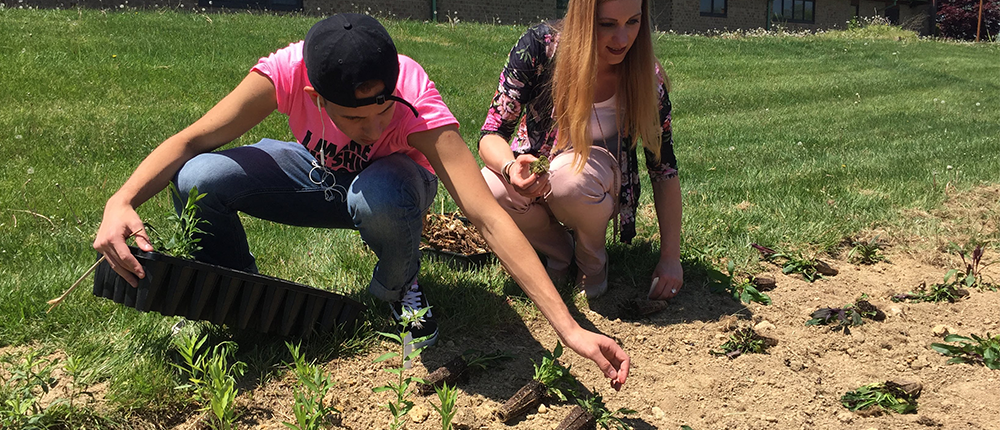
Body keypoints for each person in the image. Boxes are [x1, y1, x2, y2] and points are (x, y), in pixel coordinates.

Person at [92, 13, 629, 389]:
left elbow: (484, 213)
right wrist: (121, 200)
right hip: (316, 175)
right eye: (354, 118)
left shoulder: (414, 96)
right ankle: (238, 302)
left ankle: (398, 288)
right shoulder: (285, 72)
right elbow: (192, 139)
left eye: (383, 110)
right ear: (313, 97)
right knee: (200, 175)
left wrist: (569, 329)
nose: (374, 127)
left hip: (392, 192)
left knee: (384, 192)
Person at [478, 0, 683, 300]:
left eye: (633, 22)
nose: (623, 40)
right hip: (538, 174)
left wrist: (670, 259)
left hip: (595, 188)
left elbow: (664, 168)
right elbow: (491, 133)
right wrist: (510, 169)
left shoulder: (646, 78)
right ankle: (560, 252)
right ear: (583, 18)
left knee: (569, 180)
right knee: (486, 186)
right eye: (607, 24)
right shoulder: (540, 48)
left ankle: (592, 262)